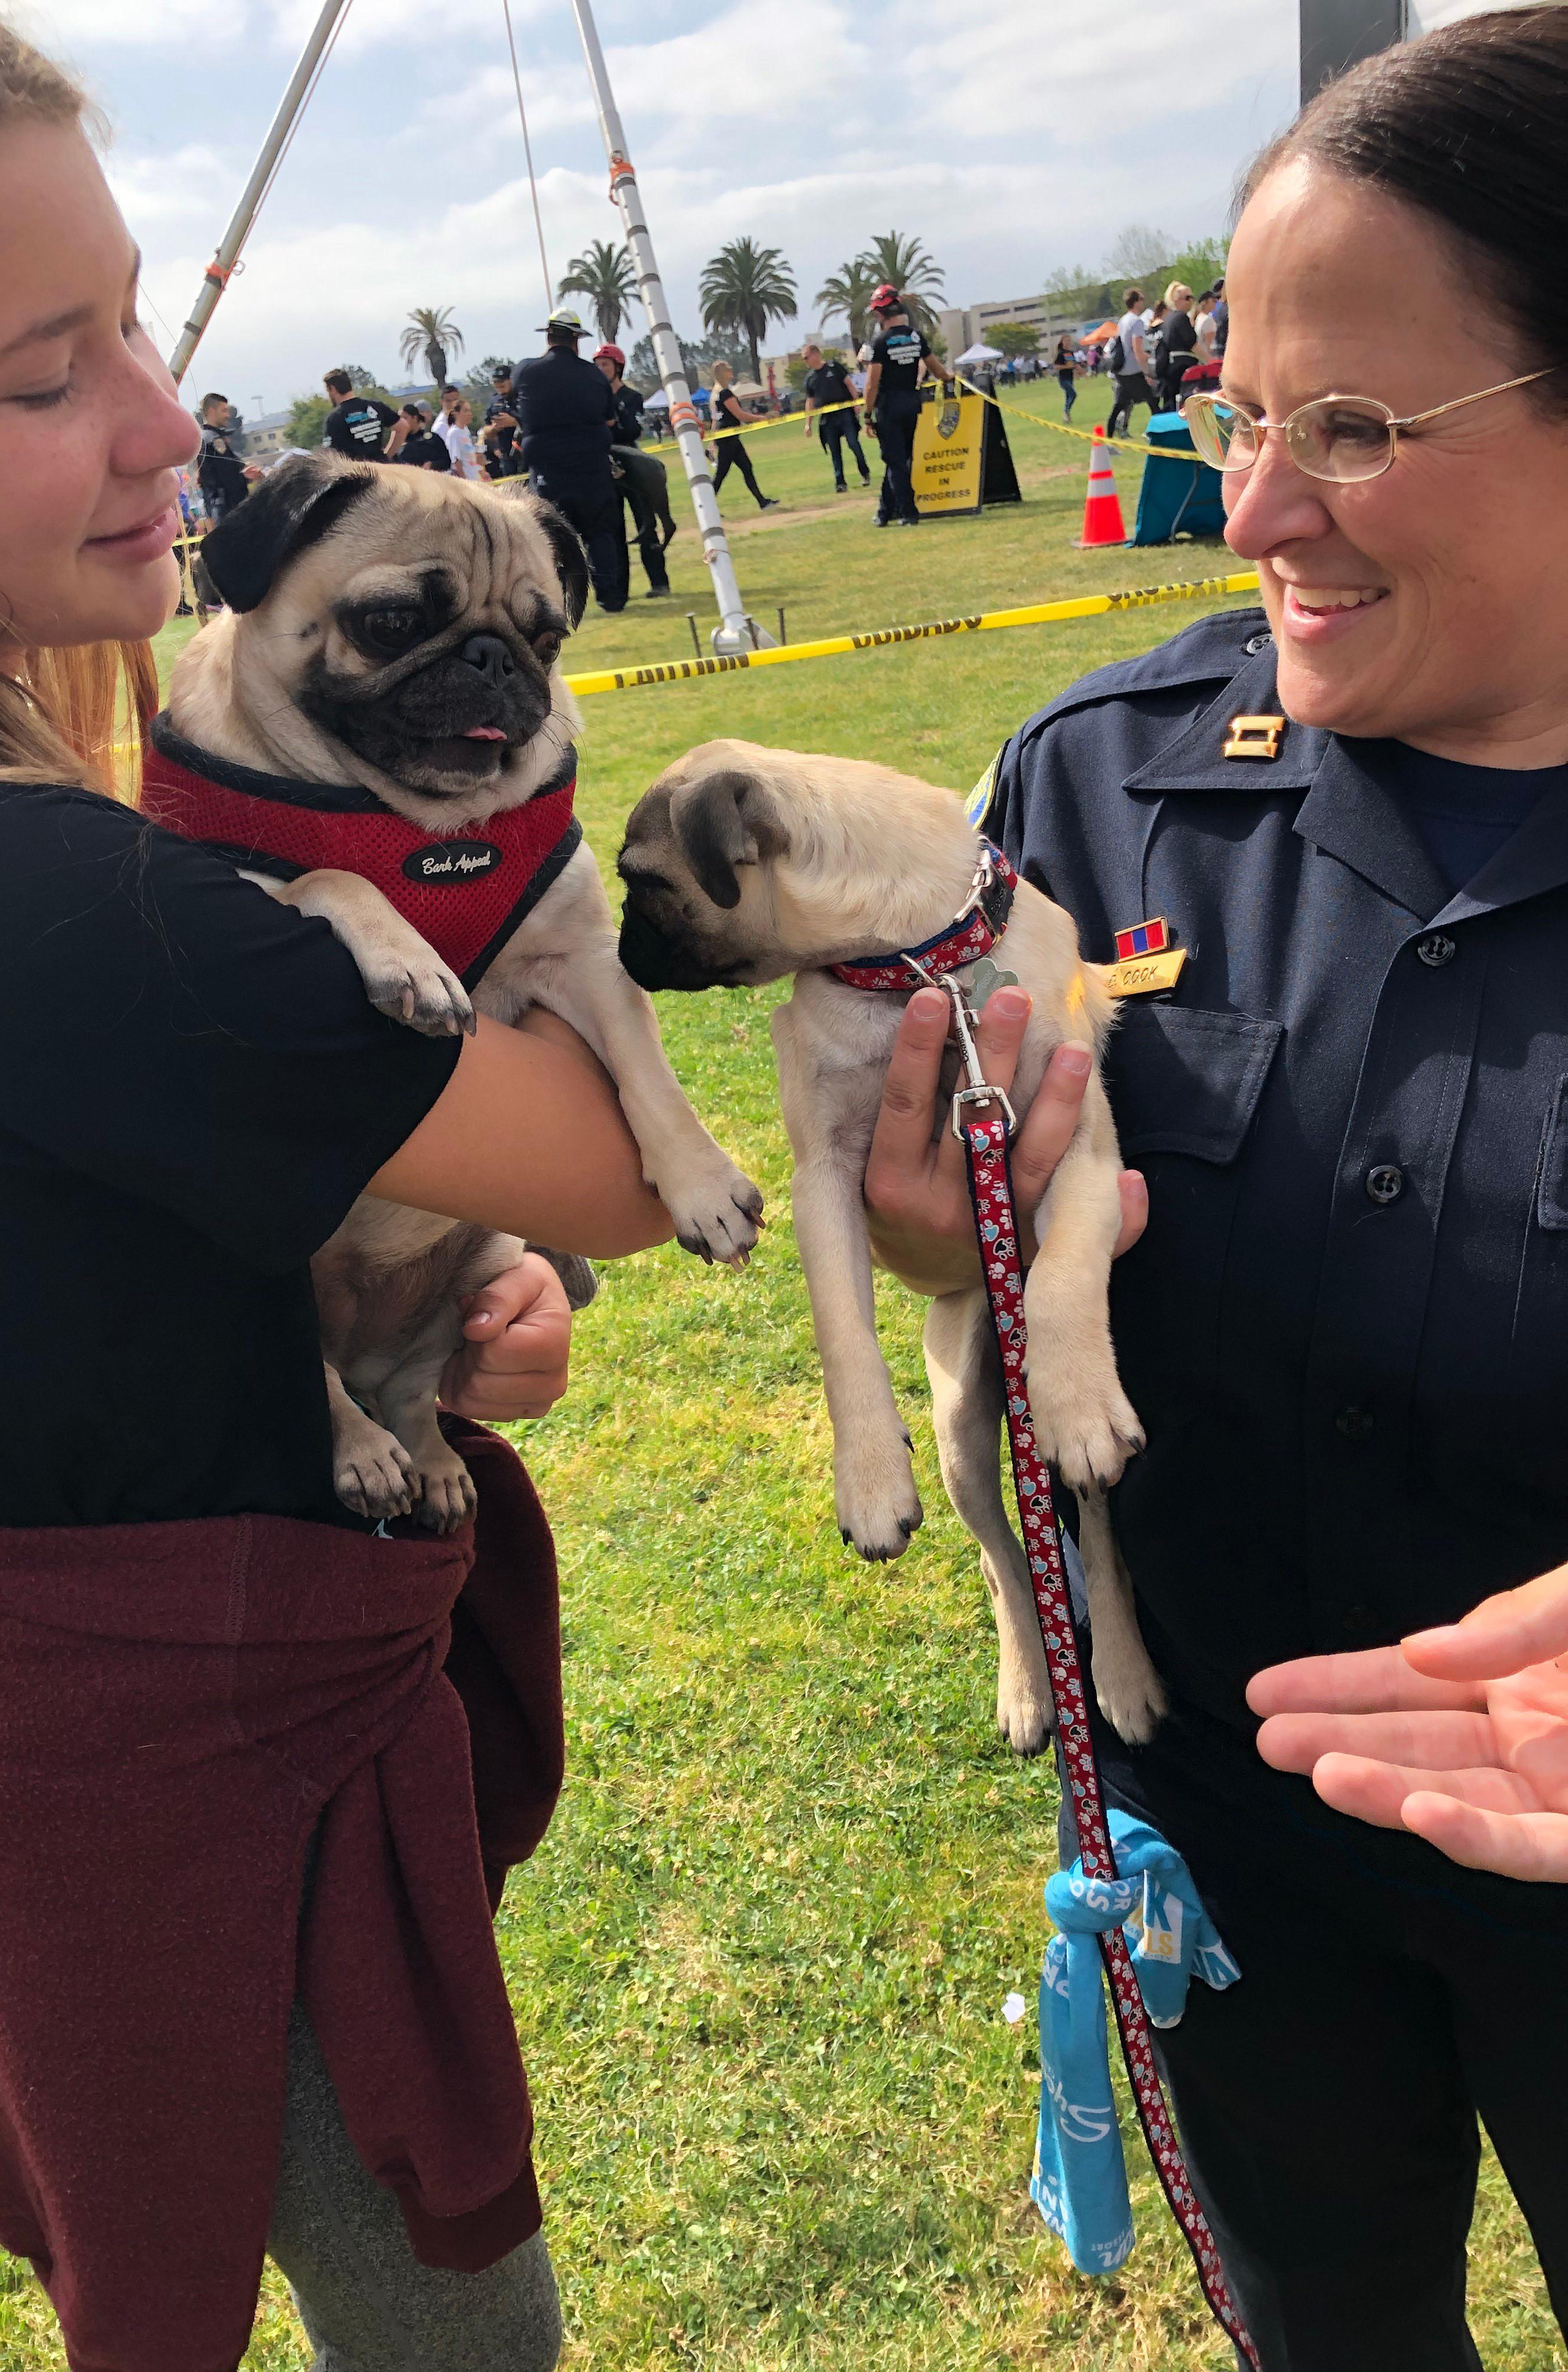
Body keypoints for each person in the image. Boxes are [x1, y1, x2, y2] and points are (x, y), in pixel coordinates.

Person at [0, 5, 681, 2366]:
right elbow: (598, 1168)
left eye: (139, 329)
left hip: (13, 1775)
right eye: (40, 371)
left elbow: (73, 1262)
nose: (169, 423)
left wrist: (394, 1319)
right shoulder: (53, 907)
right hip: (223, 1814)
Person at [863, 14, 1568, 2363]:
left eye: (1359, 430)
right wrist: (916, 1208)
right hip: (1230, 1834)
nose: (1257, 509)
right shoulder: (1094, 797)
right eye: (1240, 411)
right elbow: (967, 1231)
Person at [511, 308, 626, 612]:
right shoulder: (593, 375)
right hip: (592, 470)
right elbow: (607, 416)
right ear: (577, 340)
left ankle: (559, 604)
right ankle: (610, 598)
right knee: (600, 535)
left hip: (549, 472)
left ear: (548, 337)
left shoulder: (526, 372)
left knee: (551, 540)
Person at [860, 285, 950, 527]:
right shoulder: (915, 336)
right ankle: (884, 513)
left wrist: (867, 415)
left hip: (888, 408)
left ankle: (908, 513)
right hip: (912, 405)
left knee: (896, 462)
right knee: (899, 460)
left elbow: (872, 383)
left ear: (880, 314)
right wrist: (951, 379)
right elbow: (938, 370)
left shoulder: (880, 342)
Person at [594, 343, 673, 598]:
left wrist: (612, 421)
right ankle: (620, 590)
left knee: (646, 522)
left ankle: (659, 582)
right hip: (604, 467)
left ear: (618, 367)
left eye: (605, 365)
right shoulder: (593, 398)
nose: (600, 369)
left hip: (632, 465)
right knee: (613, 529)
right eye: (597, 365)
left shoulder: (632, 397)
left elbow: (633, 430)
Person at [799, 339, 871, 493]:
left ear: (816, 354)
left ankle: (865, 472)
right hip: (828, 418)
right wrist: (808, 424)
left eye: (806, 357)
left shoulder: (834, 367)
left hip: (845, 413)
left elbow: (849, 384)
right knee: (835, 451)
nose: (805, 361)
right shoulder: (810, 379)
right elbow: (810, 402)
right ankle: (840, 483)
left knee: (854, 444)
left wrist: (856, 404)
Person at [707, 360, 777, 511]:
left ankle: (762, 502)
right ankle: (707, 509)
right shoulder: (725, 393)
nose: (731, 371)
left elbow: (715, 419)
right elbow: (740, 415)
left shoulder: (714, 393)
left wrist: (713, 440)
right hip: (728, 438)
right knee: (721, 473)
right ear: (722, 373)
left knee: (746, 467)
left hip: (727, 436)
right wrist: (763, 418)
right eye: (728, 369)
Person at [196, 391, 259, 521]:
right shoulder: (213, 440)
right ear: (212, 411)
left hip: (224, 507)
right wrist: (244, 477)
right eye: (224, 410)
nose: (228, 415)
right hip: (227, 507)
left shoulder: (210, 438)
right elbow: (227, 475)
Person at [321, 367, 398, 461]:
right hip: (381, 469)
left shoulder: (335, 418)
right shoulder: (376, 407)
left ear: (332, 389)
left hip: (355, 472)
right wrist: (387, 456)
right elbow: (403, 427)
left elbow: (329, 454)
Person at [1105, 287, 1151, 439]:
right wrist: (1146, 373)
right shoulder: (1137, 322)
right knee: (1154, 402)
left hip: (1122, 370)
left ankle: (1108, 439)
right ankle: (1157, 435)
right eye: (1142, 299)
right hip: (1133, 371)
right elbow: (1137, 349)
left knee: (1118, 407)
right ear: (1136, 302)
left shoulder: (1123, 320)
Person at [1154, 280, 1199, 409]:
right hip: (1182, 367)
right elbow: (1192, 343)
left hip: (1171, 367)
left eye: (1192, 298)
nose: (1191, 301)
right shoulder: (1181, 318)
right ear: (1176, 300)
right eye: (1187, 298)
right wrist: (1211, 360)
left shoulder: (1168, 319)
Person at [482, 363, 523, 478]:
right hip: (506, 456)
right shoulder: (494, 401)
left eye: (503, 386)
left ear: (511, 381)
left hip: (525, 453)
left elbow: (534, 421)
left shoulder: (522, 397)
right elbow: (485, 430)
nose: (501, 390)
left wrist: (515, 422)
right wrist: (494, 428)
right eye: (497, 387)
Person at [386, 401, 452, 471]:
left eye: (405, 418)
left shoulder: (432, 439)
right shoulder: (397, 443)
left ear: (414, 418)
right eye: (400, 420)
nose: (402, 422)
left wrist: (433, 465)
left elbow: (447, 461)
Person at [442, 392, 484, 482]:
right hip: (467, 480)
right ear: (456, 413)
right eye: (466, 411)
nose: (470, 414)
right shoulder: (454, 433)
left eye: (470, 411)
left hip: (475, 478)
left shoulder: (466, 430)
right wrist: (464, 480)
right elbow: (456, 459)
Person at [1051, 331, 1077, 421]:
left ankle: (1067, 416)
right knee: (1073, 394)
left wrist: (1078, 369)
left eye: (1070, 341)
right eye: (1066, 341)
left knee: (1068, 396)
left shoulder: (1070, 353)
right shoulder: (1060, 354)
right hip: (1063, 379)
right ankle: (1066, 412)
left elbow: (1074, 364)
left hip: (1070, 378)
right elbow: (1056, 366)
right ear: (1062, 343)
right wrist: (1066, 366)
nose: (1068, 343)